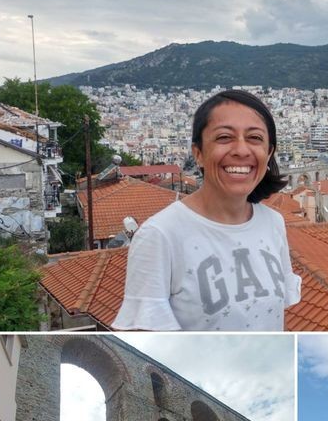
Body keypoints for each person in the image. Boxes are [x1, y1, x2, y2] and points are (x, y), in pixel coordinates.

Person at [113, 89, 301, 331]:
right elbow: (145, 335)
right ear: (198, 153)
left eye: (255, 138)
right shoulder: (159, 235)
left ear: (269, 153)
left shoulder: (273, 223)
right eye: (224, 137)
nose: (241, 150)